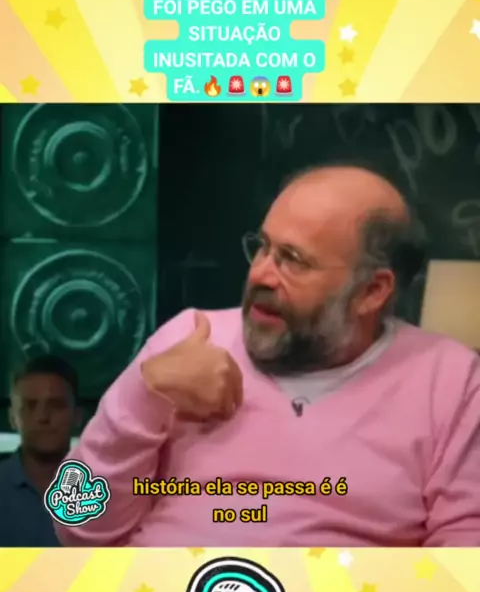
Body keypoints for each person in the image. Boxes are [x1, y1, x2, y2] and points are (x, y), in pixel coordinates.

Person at [54, 164, 480, 548]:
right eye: (262, 247)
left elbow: (464, 563)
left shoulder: (449, 380)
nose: (259, 273)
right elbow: (75, 524)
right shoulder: (191, 338)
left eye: (293, 260)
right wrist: (142, 396)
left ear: (372, 291)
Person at [0, 355, 82, 546]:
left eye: (56, 405)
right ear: (12, 418)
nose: (43, 416)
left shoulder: (108, 489)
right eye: (30, 406)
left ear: (77, 415)